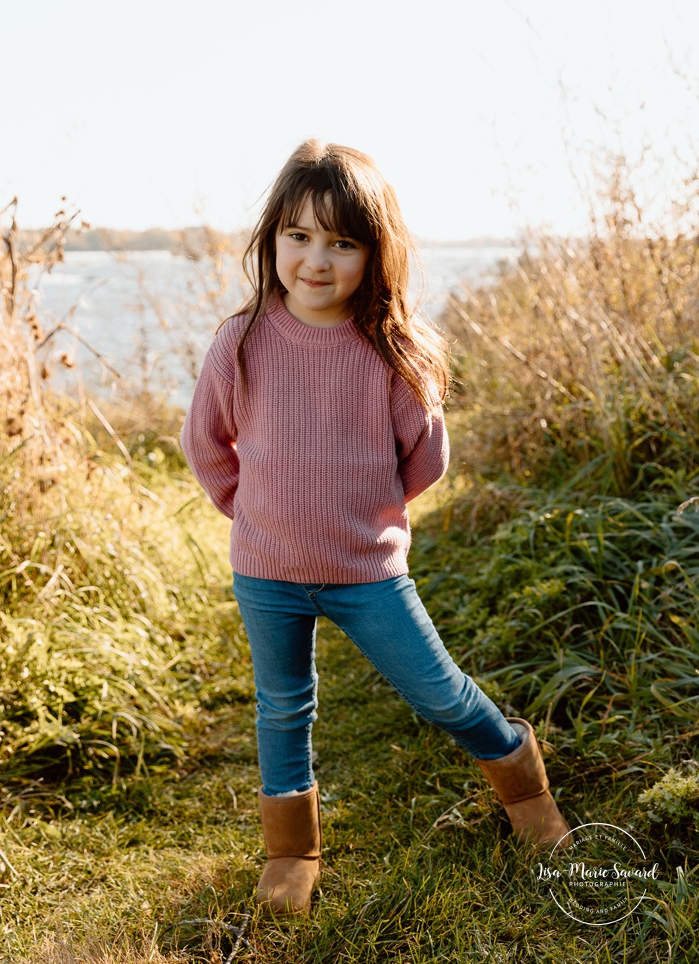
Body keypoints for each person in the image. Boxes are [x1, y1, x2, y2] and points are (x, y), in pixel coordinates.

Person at [180, 139, 570, 915]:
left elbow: (424, 458)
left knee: (439, 693)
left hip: (368, 572)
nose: (315, 259)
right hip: (266, 570)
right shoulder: (242, 342)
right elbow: (206, 444)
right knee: (282, 705)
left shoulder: (389, 351)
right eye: (298, 235)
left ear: (372, 253)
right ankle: (291, 851)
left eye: (341, 241)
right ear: (272, 241)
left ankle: (524, 788)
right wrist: (256, 513)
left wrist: (364, 518)